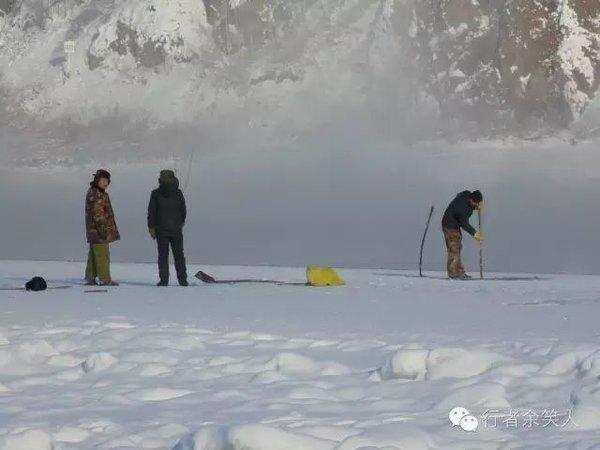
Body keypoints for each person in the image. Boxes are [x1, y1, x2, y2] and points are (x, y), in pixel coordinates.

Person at [147, 170, 188, 286]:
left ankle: (164, 280)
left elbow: (151, 212)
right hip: (175, 229)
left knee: (163, 256)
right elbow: (183, 211)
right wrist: (180, 223)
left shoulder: (155, 193)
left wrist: (151, 227)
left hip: (161, 229)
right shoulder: (178, 193)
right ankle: (183, 280)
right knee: (179, 255)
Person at [85, 169, 120, 286]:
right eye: (103, 180)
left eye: (107, 181)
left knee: (94, 255)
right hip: (98, 230)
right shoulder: (96, 194)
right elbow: (98, 213)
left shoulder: (99, 193)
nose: (105, 183)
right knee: (102, 255)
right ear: (97, 180)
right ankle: (105, 279)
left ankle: (90, 277)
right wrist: (103, 229)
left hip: (95, 231)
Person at [441, 190, 484, 279]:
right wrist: (475, 234)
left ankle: (459, 272)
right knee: (454, 249)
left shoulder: (466, 198)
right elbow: (464, 223)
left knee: (458, 248)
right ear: (472, 200)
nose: (476, 205)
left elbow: (468, 209)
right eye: (476, 203)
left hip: (455, 225)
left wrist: (475, 207)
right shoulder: (463, 208)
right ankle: (453, 274)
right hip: (450, 226)